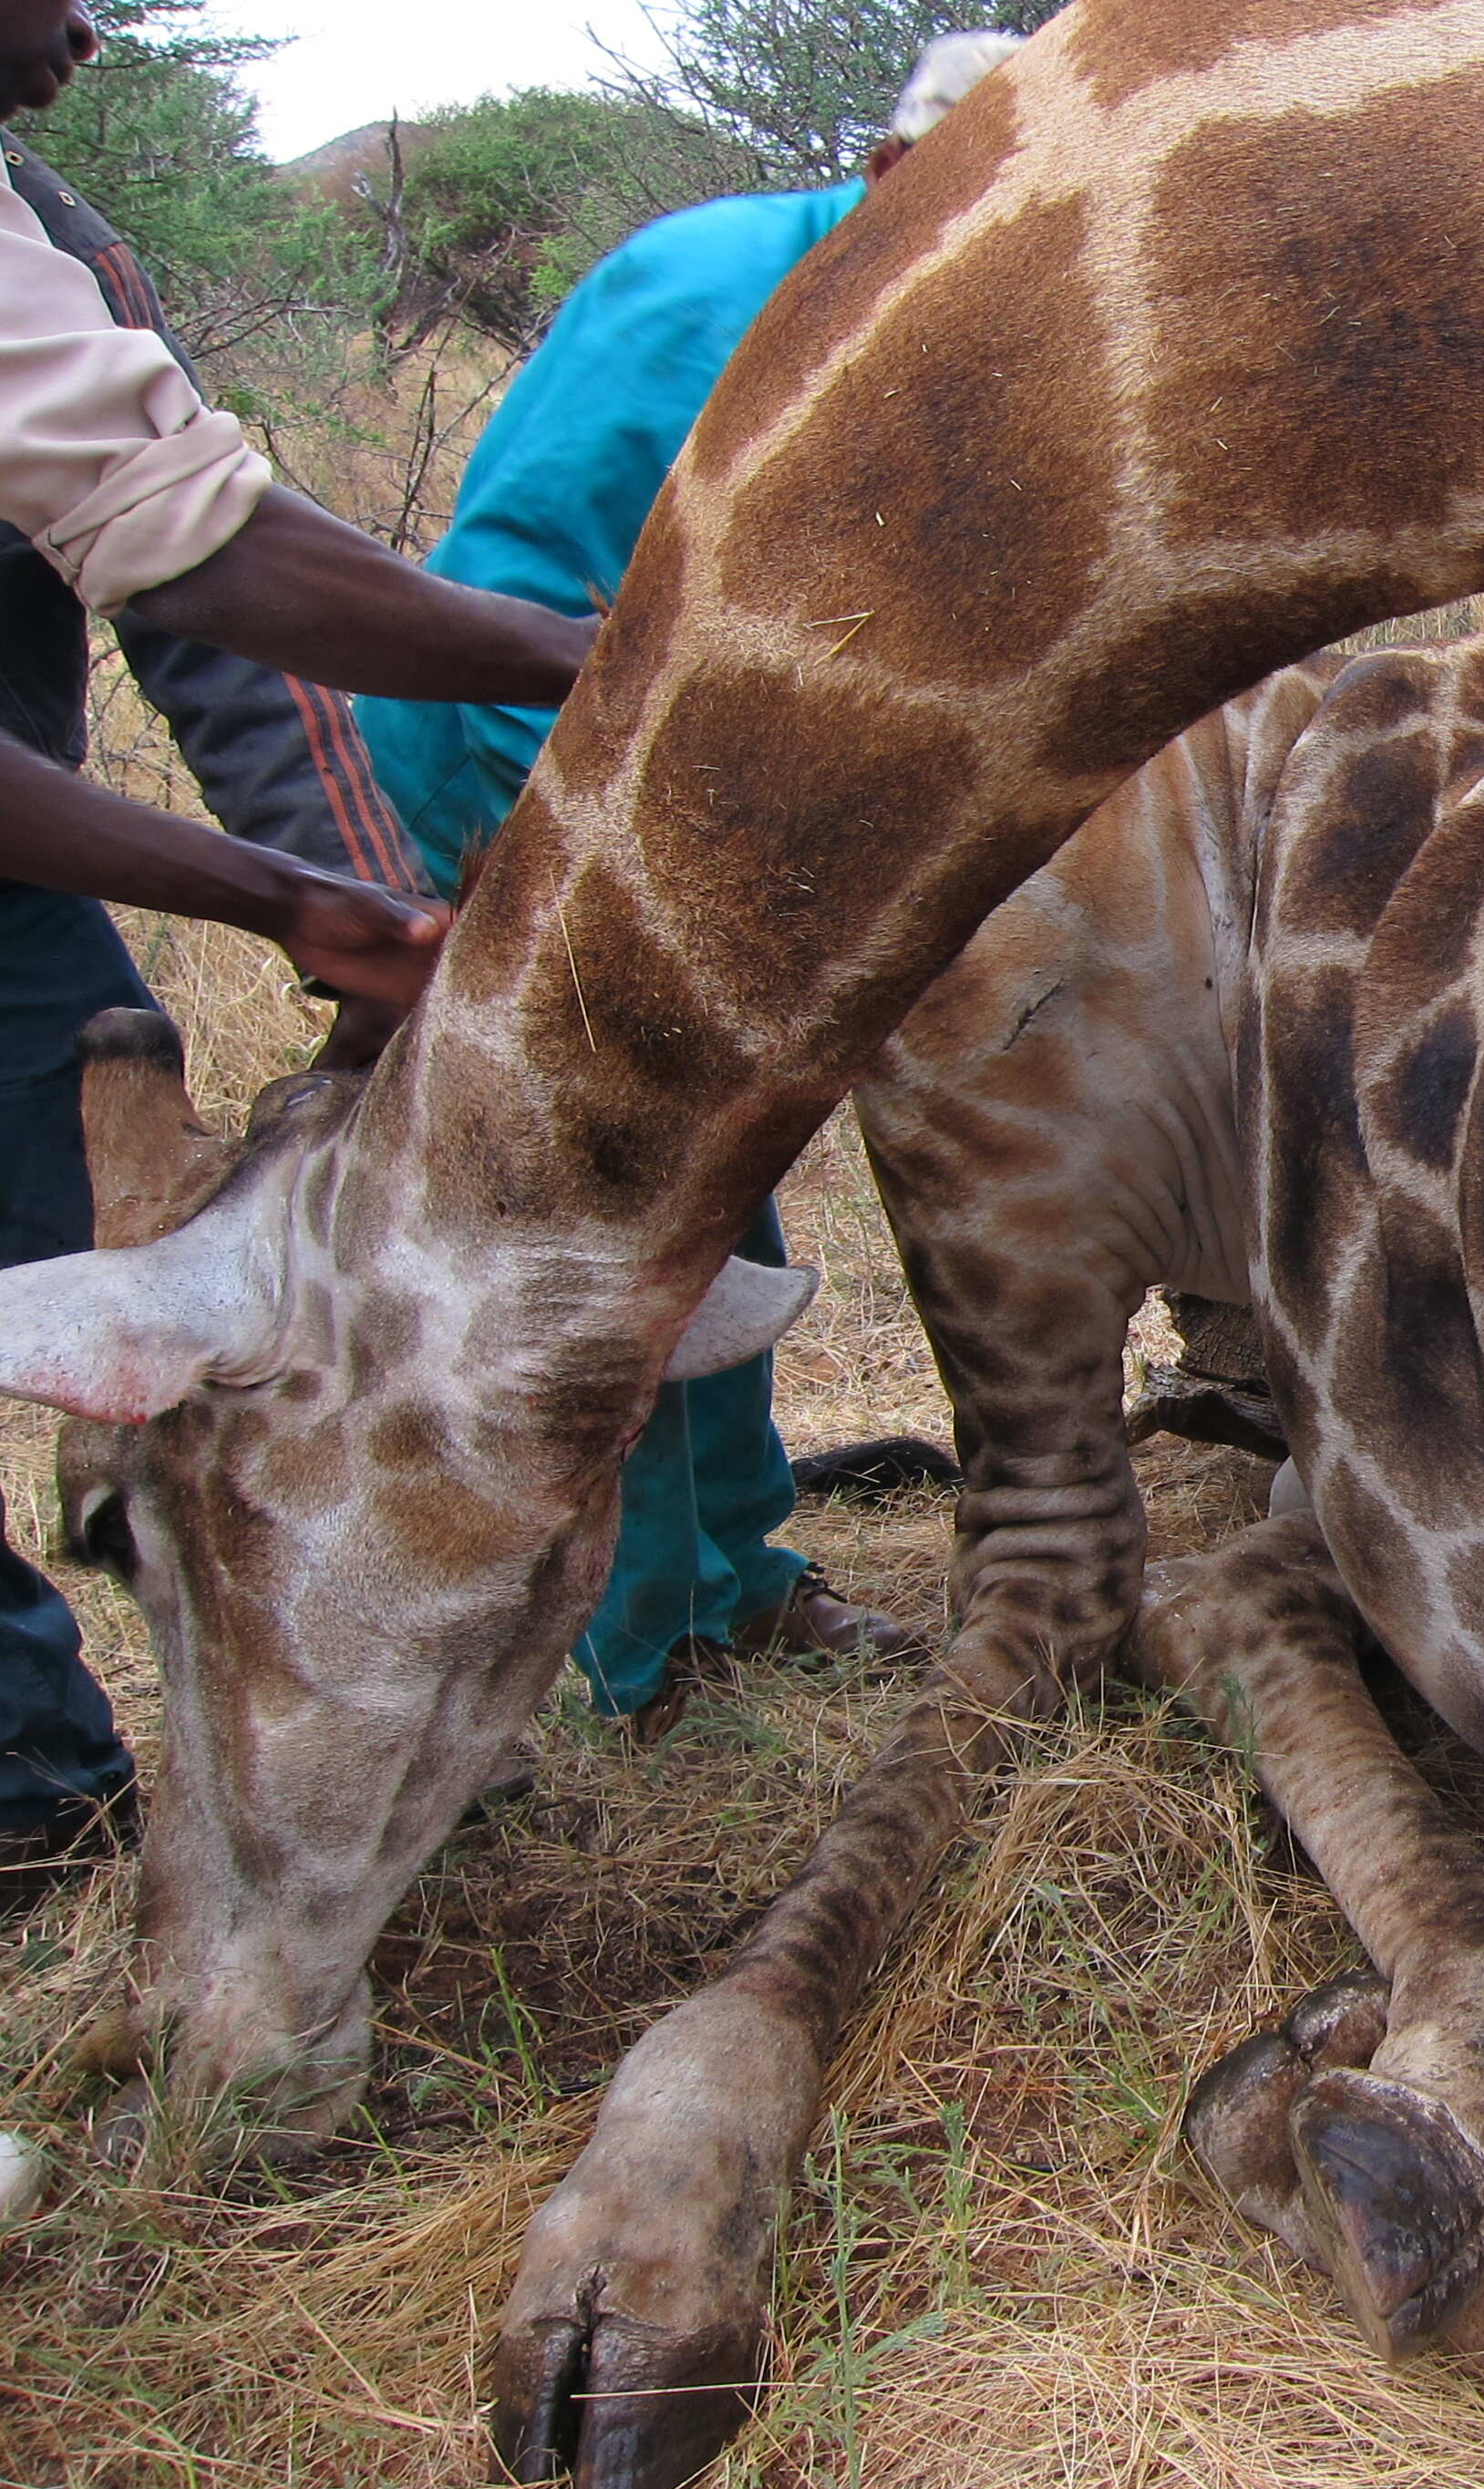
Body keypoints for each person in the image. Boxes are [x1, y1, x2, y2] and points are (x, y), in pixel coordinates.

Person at [355, 35, 1026, 1737]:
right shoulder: (707, 283)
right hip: (520, 773)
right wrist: (574, 862)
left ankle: (747, 1567)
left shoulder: (888, 311)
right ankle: (648, 1645)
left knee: (720, 1190)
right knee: (623, 1210)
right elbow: (523, 587)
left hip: (694, 812)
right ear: (893, 173)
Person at [0, 0, 596, 1901]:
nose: (84, 24)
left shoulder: (44, 229)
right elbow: (219, 567)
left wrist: (363, 936)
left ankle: (71, 1773)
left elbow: (207, 638)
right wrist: (567, 658)